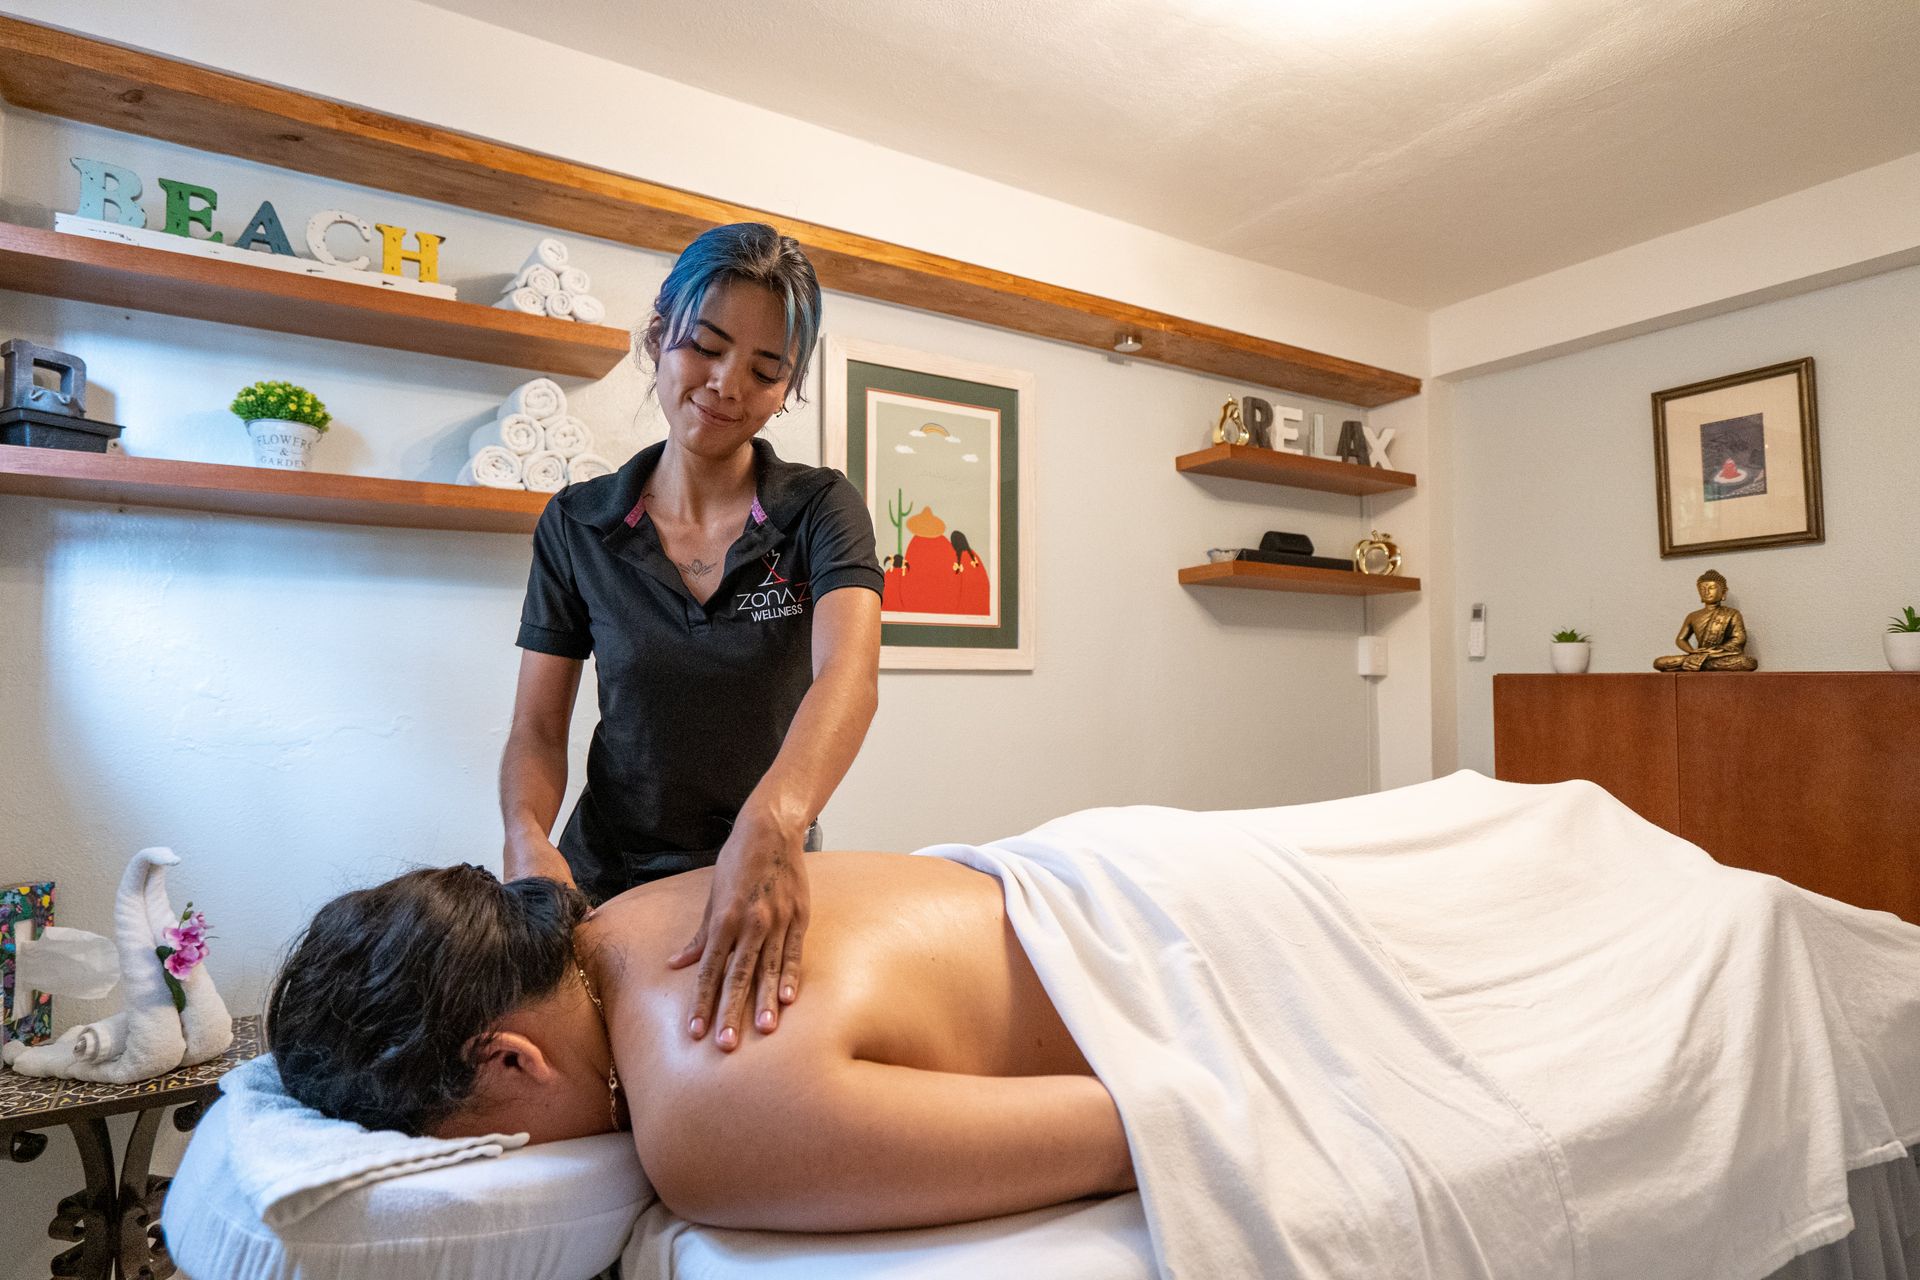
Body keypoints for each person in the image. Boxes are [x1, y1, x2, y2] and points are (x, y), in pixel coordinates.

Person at [265, 858, 1135, 1233]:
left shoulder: (699, 1115)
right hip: (1117, 873)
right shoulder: (628, 916)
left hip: (1181, 953)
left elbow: (1136, 1129)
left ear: (506, 1059)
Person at [501, 222, 883, 1055]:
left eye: (765, 369)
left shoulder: (818, 511)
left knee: (741, 1073)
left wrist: (776, 820)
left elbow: (846, 681)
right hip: (603, 876)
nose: (725, 384)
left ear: (789, 387)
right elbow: (536, 727)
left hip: (758, 865)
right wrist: (526, 838)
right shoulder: (579, 524)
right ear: (656, 338)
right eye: (704, 348)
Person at [1652, 568, 1758, 670]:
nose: (1706, 592)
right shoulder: (1692, 616)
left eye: (1711, 588)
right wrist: (1692, 651)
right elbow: (1680, 639)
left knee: (1747, 662)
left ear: (1723, 592)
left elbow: (1739, 639)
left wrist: (1718, 650)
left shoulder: (1732, 613)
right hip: (1699, 655)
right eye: (1703, 589)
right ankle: (1702, 665)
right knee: (1659, 662)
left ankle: (1697, 665)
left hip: (1720, 655)